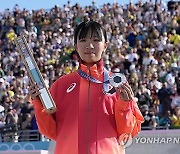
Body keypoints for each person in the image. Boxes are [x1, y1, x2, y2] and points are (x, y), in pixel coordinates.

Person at [29, 21, 144, 154]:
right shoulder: (61, 85)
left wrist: (124, 104)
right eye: (83, 40)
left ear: (105, 45)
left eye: (96, 40)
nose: (89, 45)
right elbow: (51, 132)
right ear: (76, 46)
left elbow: (126, 133)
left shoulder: (117, 84)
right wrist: (38, 103)